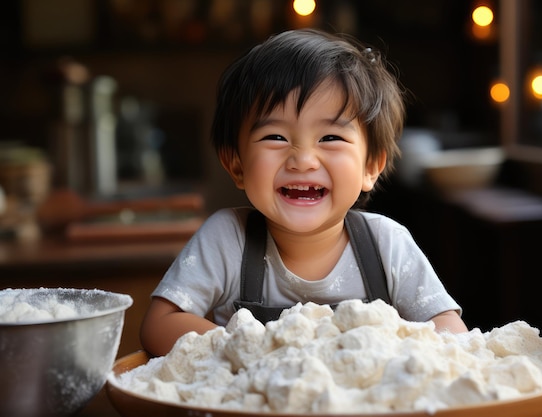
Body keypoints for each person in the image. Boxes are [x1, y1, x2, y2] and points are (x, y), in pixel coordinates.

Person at [140, 29, 467, 356]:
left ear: (371, 166)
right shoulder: (228, 240)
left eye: (330, 138)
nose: (303, 160)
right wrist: (249, 351)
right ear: (236, 164)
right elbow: (160, 324)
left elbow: (450, 329)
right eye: (276, 137)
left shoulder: (387, 245)